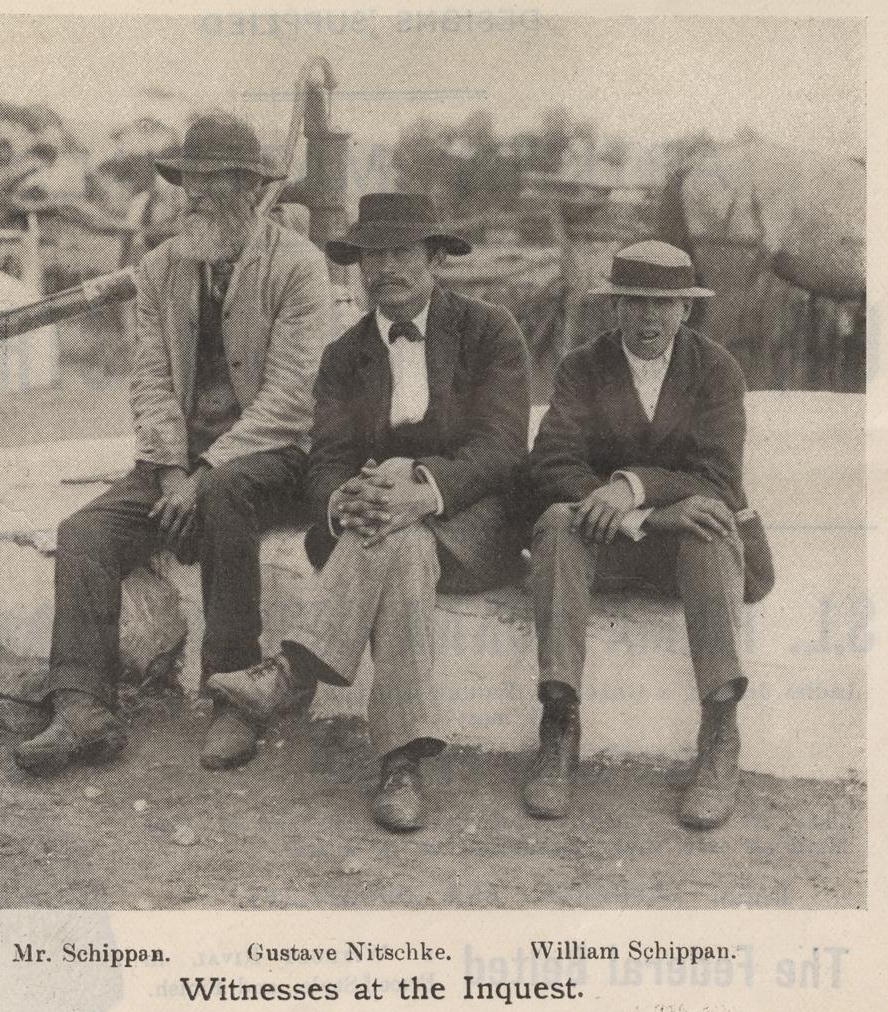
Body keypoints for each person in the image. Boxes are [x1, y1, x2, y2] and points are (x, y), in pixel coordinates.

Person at [15, 112, 335, 775]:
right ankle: (83, 708)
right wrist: (167, 473)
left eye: (216, 180)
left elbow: (291, 398)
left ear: (252, 187)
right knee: (84, 532)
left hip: (270, 459)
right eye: (190, 180)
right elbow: (152, 382)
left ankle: (232, 695)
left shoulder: (299, 268)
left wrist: (206, 469)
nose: (197, 195)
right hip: (176, 468)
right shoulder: (159, 269)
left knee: (223, 494)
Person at [207, 193, 529, 832]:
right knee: (403, 549)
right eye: (370, 255)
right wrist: (343, 499)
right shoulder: (341, 355)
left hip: (471, 525)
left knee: (404, 530)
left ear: (435, 256)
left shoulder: (491, 331)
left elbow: (502, 451)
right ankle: (400, 768)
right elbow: (325, 463)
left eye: (402, 251)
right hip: (375, 530)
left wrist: (423, 486)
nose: (385, 268)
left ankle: (293, 671)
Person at [522, 239, 773, 829]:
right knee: (559, 522)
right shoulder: (583, 367)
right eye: (635, 302)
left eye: (665, 305)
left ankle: (719, 733)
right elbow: (552, 465)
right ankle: (559, 725)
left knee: (710, 524)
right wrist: (642, 512)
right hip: (605, 548)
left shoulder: (715, 370)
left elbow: (718, 480)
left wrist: (631, 487)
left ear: (686, 310)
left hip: (686, 558)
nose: (649, 318)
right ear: (614, 308)